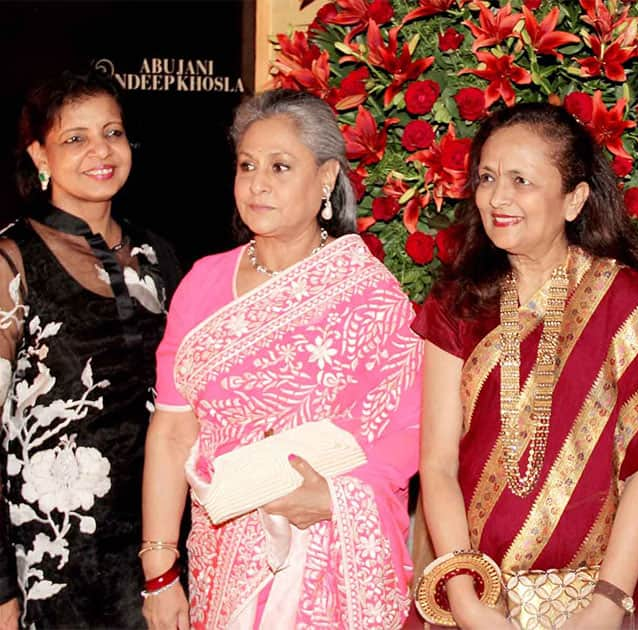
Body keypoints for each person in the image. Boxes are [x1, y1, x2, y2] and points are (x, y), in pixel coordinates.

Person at [413, 102, 638, 629]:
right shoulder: (456, 304)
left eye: (521, 180)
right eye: (487, 177)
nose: (498, 197)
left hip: (589, 605)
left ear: (574, 200)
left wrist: (607, 603)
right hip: (476, 599)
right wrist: (464, 596)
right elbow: (437, 465)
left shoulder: (622, 303)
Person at [140, 89, 421, 629]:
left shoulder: (367, 293)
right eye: (247, 166)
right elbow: (173, 431)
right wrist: (159, 570)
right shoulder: (202, 282)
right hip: (222, 561)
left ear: (325, 178)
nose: (257, 183)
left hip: (328, 555)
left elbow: (410, 428)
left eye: (280, 166)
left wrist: (334, 496)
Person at [0, 70, 181, 629]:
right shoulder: (12, 261)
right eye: (75, 138)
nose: (101, 151)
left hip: (160, 546)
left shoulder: (159, 255)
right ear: (40, 155)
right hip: (49, 555)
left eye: (113, 132)